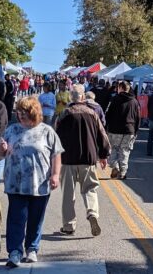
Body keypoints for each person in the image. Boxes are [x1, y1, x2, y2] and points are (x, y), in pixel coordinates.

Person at [0, 96, 64, 267]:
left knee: (35, 218)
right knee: (16, 219)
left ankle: (32, 248)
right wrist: (2, 149)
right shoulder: (11, 130)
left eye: (25, 111)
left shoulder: (47, 131)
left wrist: (55, 175)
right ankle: (14, 252)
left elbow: (56, 154)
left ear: (34, 112)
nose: (21, 115)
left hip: (39, 184)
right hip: (15, 184)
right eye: (19, 111)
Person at [56, 85, 111, 236]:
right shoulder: (92, 113)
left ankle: (69, 225)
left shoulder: (65, 113)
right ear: (82, 97)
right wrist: (104, 154)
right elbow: (102, 135)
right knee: (90, 189)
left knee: (68, 193)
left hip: (68, 159)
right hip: (88, 157)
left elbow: (55, 134)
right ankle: (92, 213)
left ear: (71, 98)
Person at [105, 81, 140, 180]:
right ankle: (123, 172)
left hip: (114, 130)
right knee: (125, 151)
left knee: (113, 150)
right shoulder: (134, 101)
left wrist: (106, 127)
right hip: (129, 130)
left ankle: (115, 166)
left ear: (120, 88)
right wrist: (136, 131)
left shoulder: (114, 99)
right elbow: (138, 117)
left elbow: (107, 114)